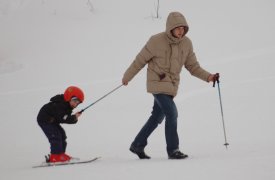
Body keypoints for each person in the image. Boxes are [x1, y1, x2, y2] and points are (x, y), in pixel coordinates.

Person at [122, 12, 219, 159]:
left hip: (171, 86)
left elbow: (193, 66)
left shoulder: (186, 43)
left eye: (183, 28)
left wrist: (209, 77)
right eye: (177, 28)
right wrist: (127, 76)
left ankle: (137, 145)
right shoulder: (156, 41)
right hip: (157, 83)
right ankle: (173, 149)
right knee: (172, 113)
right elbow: (140, 60)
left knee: (156, 117)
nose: (181, 31)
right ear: (170, 28)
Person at [37, 86, 84, 163]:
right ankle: (55, 156)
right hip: (45, 120)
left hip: (53, 121)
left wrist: (74, 118)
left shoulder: (67, 106)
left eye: (78, 103)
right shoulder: (60, 105)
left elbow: (65, 118)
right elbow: (63, 118)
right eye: (75, 101)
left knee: (62, 134)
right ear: (69, 97)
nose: (76, 104)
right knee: (55, 136)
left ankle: (61, 154)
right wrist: (73, 117)